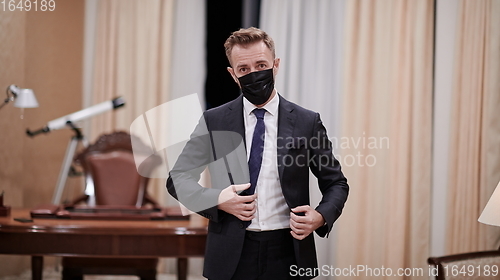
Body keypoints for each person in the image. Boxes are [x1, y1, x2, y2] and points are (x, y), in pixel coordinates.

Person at [166, 27, 348, 280]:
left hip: (289, 250)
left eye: (261, 64)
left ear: (275, 65)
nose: (254, 74)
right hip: (230, 254)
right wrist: (217, 199)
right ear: (233, 74)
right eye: (244, 69)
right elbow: (178, 178)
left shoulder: (307, 121)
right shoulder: (214, 121)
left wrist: (320, 216)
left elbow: (336, 183)